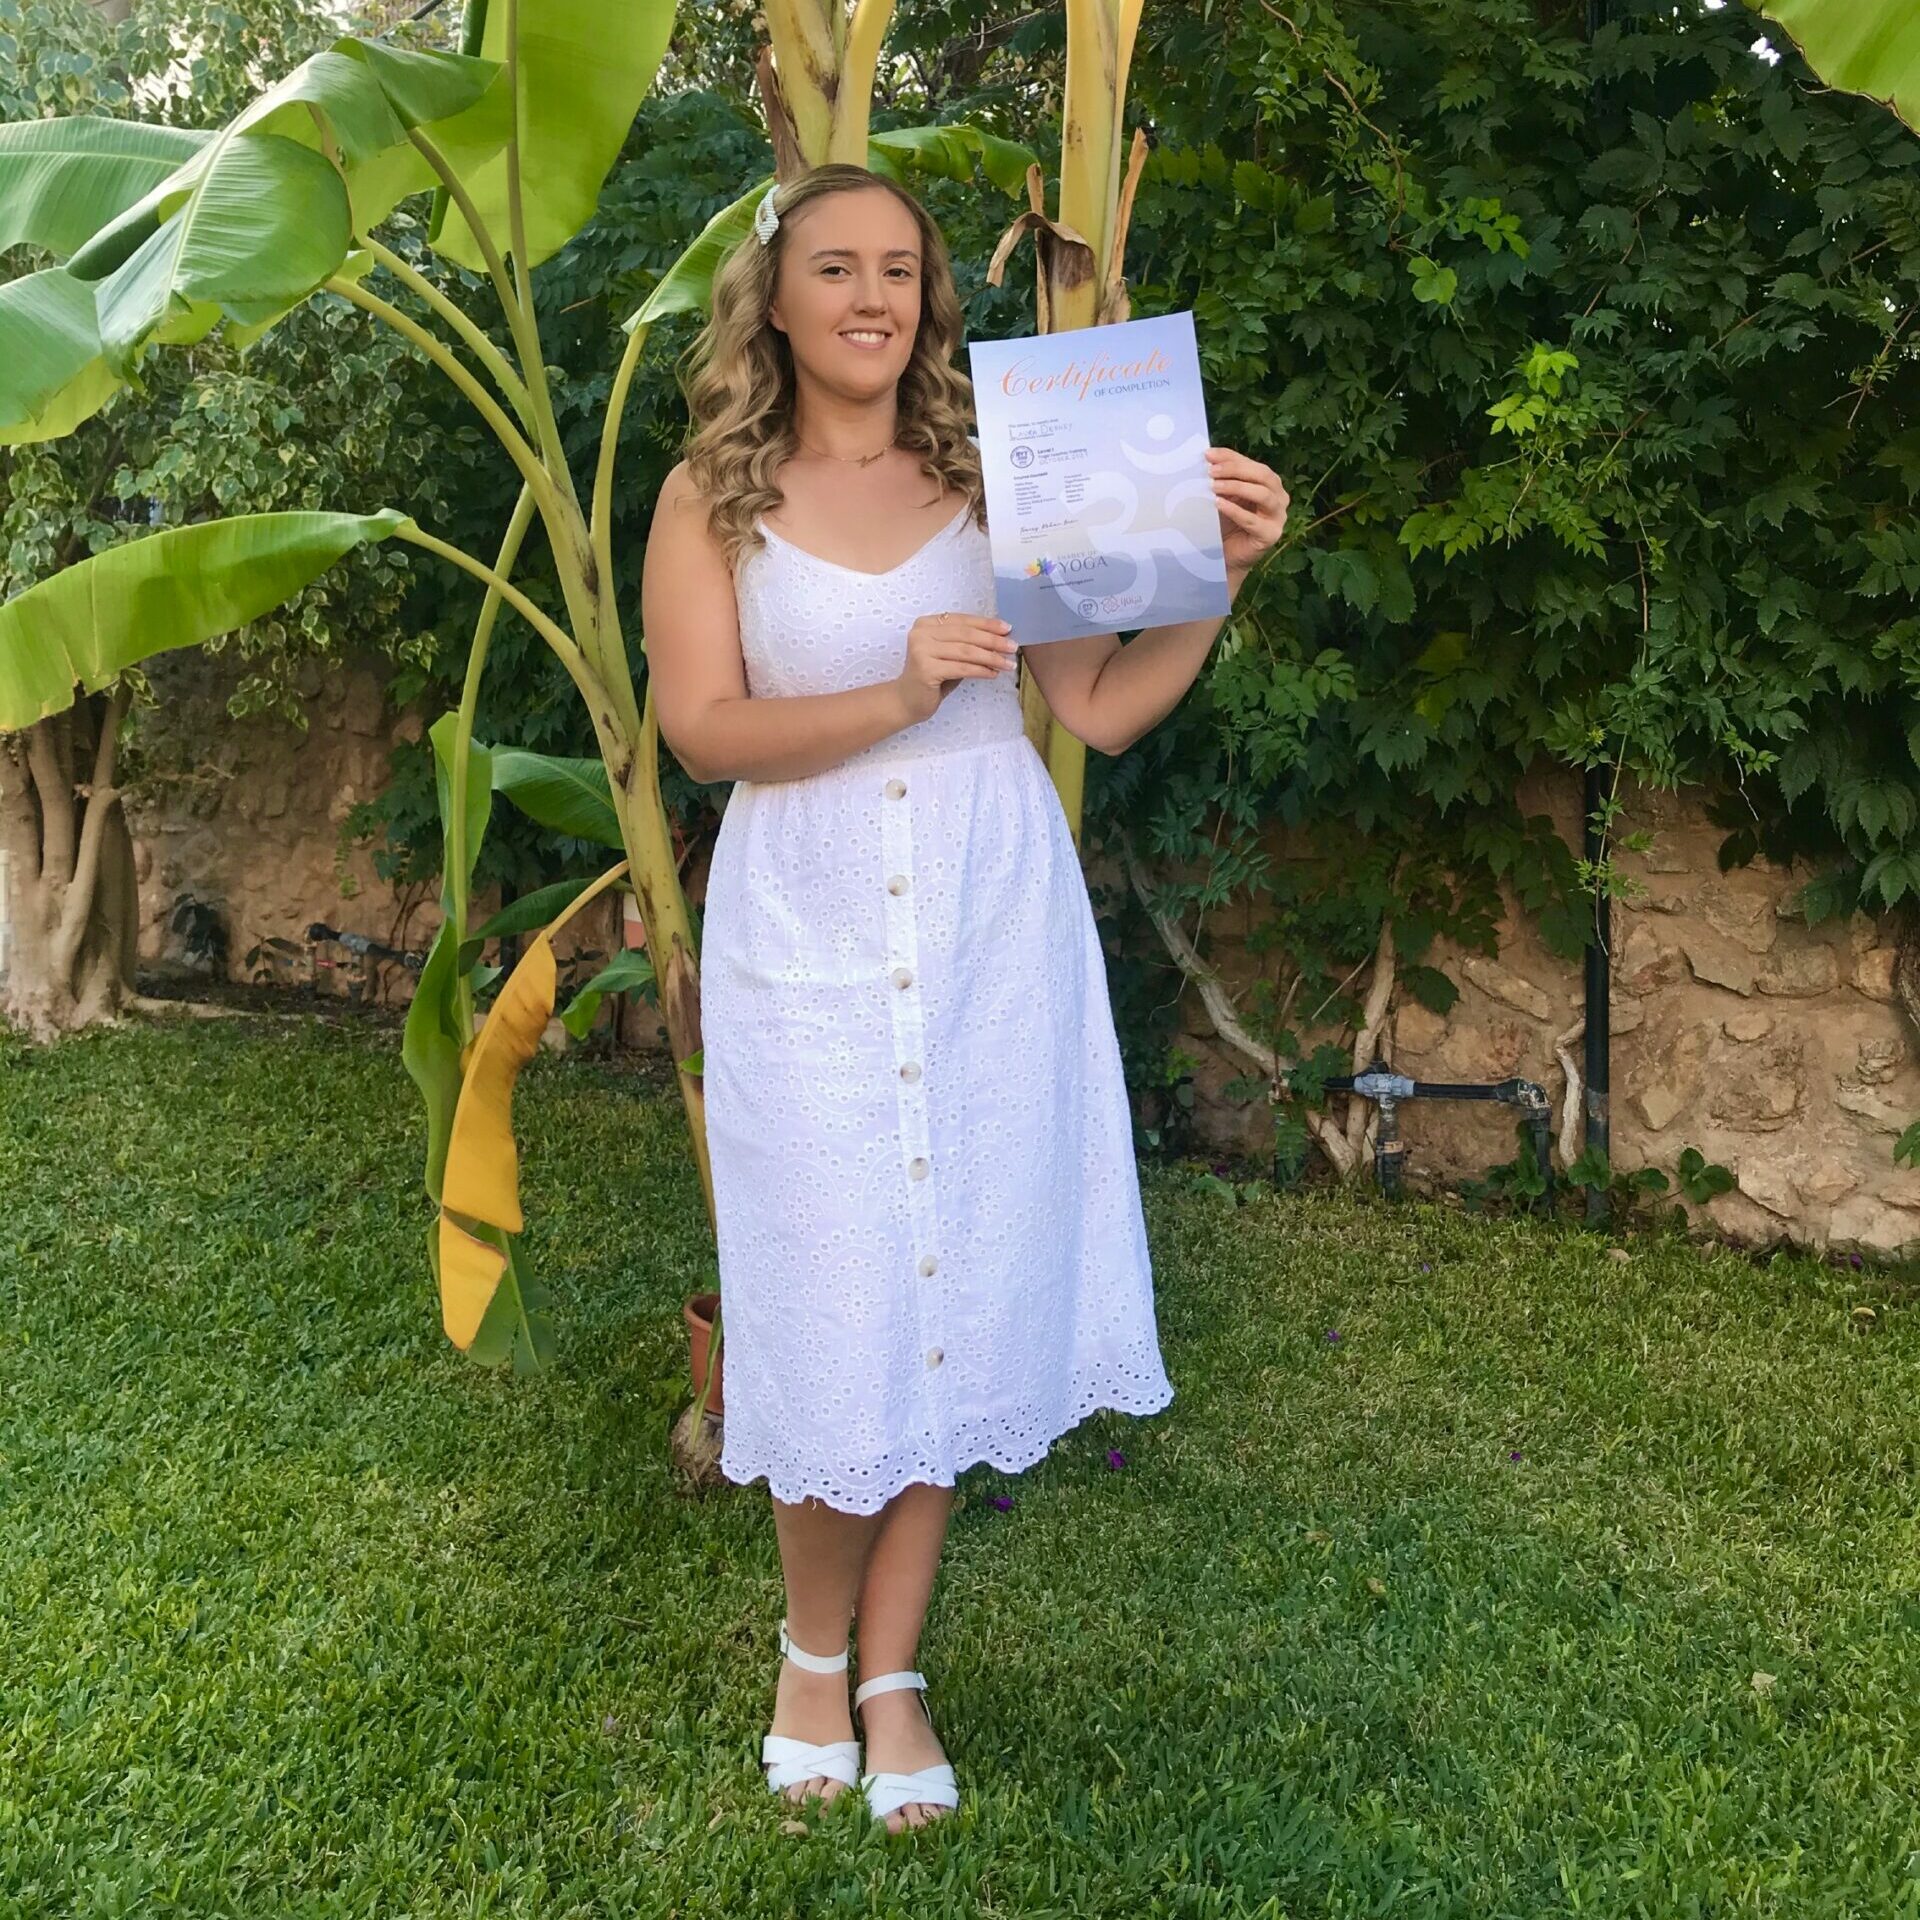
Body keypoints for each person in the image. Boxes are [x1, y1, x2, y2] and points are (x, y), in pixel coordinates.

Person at [640, 162, 1289, 1835]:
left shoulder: (1004, 474)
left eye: (902, 269)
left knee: (953, 1282)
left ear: (931, 299)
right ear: (774, 297)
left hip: (993, 922)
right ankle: (809, 1655)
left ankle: (893, 1674)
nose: (873, 297)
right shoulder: (708, 496)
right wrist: (896, 687)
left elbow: (1103, 708)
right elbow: (705, 731)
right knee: (834, 1290)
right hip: (810, 925)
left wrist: (1218, 575)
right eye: (836, 267)